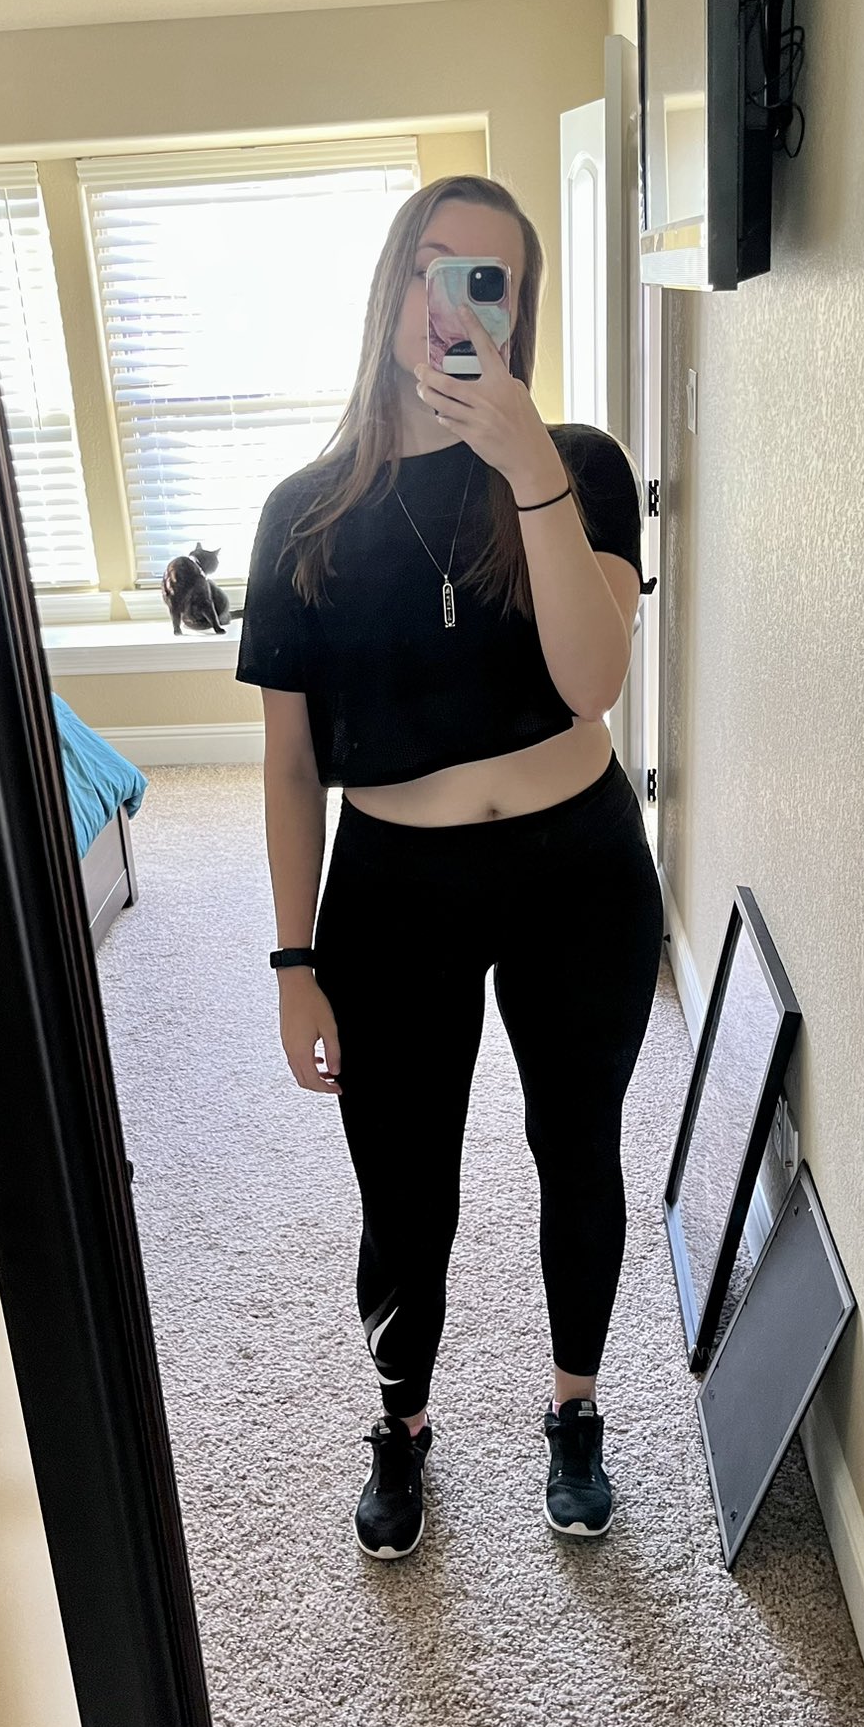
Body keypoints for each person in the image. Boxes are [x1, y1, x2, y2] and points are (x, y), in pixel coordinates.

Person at [234, 174, 663, 1560]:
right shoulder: (304, 514)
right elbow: (288, 767)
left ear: (519, 311)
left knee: (576, 1145)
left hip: (579, 869)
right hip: (394, 889)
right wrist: (293, 960)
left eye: (493, 280)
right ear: (391, 286)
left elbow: (592, 683)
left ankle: (575, 1408)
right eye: (434, 266)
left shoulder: (580, 464)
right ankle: (402, 1419)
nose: (456, 303)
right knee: (404, 1177)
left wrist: (528, 464)